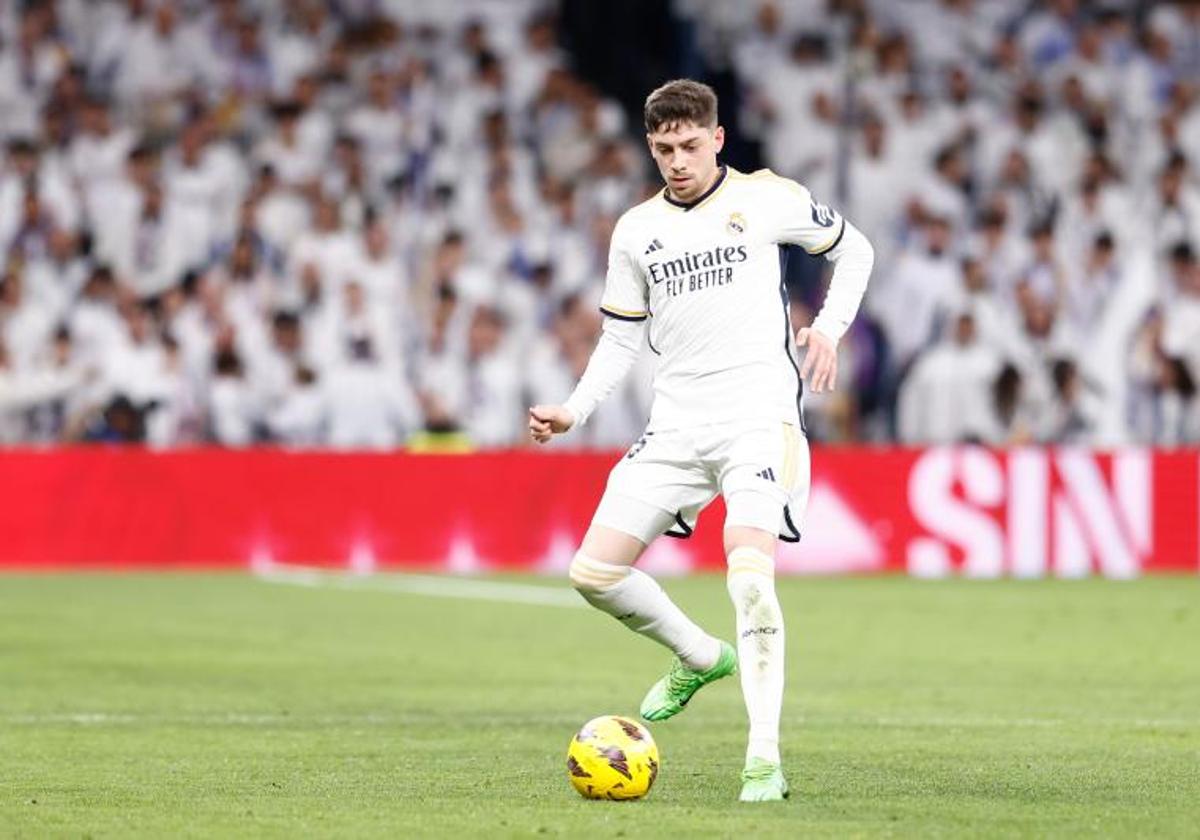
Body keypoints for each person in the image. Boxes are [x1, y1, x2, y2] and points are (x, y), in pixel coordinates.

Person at [527, 80, 874, 802]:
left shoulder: (767, 198)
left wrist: (830, 329)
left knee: (749, 580)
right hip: (676, 426)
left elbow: (857, 250)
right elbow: (620, 340)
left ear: (718, 139)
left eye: (689, 145)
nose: (677, 161)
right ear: (649, 149)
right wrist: (574, 411)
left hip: (757, 419)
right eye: (663, 150)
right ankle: (698, 655)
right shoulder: (635, 231)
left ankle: (763, 759)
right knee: (592, 575)